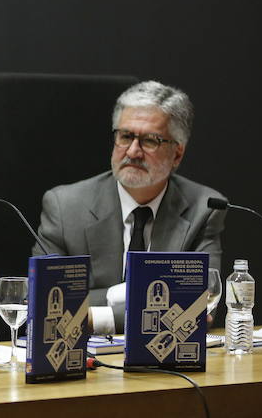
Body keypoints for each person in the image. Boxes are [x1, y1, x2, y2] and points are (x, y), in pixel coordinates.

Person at [32, 81, 226, 333]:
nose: (133, 152)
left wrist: (96, 316)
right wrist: (120, 296)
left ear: (177, 154)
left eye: (150, 141)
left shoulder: (205, 208)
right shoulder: (64, 206)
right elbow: (47, 305)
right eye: (125, 136)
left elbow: (201, 309)